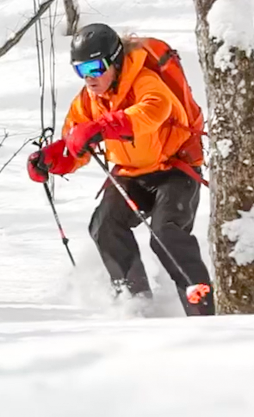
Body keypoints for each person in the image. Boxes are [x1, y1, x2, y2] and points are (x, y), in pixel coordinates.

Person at [27, 23, 215, 316]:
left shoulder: (144, 79)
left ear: (114, 60)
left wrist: (103, 127)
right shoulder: (87, 102)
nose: (89, 78)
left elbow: (154, 110)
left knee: (165, 233)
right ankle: (135, 304)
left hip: (175, 170)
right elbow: (76, 144)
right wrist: (52, 160)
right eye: (80, 70)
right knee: (104, 225)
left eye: (94, 67)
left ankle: (201, 308)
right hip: (131, 173)